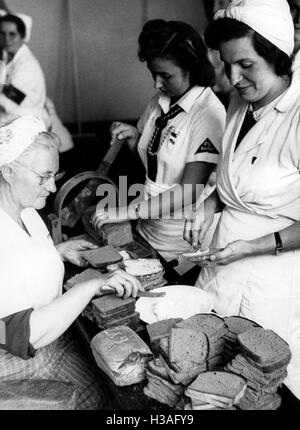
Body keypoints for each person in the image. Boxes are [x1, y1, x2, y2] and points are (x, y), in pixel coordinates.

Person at [183, 0, 300, 404]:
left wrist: (250, 247)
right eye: (226, 63)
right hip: (221, 259)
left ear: (276, 55)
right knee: (205, 370)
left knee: (254, 382)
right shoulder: (239, 102)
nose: (233, 77)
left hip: (272, 273)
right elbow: (235, 185)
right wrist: (208, 206)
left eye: (246, 65)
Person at [0, 115, 142, 410]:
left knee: (107, 376)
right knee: (114, 401)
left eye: (55, 175)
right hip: (20, 367)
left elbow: (21, 256)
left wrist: (58, 251)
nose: (52, 188)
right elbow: (18, 335)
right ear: (8, 170)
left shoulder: (23, 210)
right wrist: (90, 287)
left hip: (55, 343)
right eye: (43, 177)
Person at [91, 19, 226, 275]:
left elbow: (189, 191)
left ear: (192, 67)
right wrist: (133, 137)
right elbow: (154, 163)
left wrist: (125, 211)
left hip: (179, 237)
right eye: (153, 73)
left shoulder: (208, 113)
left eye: (165, 75)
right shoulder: (160, 101)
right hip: (148, 225)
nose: (156, 83)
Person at [0, 13, 74, 153]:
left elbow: (13, 98)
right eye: (2, 34)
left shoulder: (27, 65)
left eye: (12, 34)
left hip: (28, 126)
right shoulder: (6, 58)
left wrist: (3, 89)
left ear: (22, 36)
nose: (6, 39)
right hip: (13, 122)